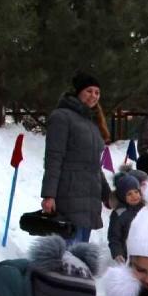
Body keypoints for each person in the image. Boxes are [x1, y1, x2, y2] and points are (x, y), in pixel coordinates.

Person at [41, 72, 111, 244]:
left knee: (80, 255)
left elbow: (94, 165)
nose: (94, 96)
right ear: (78, 92)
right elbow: (54, 158)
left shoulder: (92, 123)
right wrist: (49, 195)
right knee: (67, 254)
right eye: (89, 91)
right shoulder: (62, 117)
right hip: (68, 195)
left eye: (97, 92)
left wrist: (107, 194)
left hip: (89, 198)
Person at [108, 174, 144, 262]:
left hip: (147, 253)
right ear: (122, 196)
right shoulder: (119, 214)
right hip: (128, 256)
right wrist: (117, 253)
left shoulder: (146, 209)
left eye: (136, 192)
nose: (134, 196)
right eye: (129, 194)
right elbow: (114, 237)